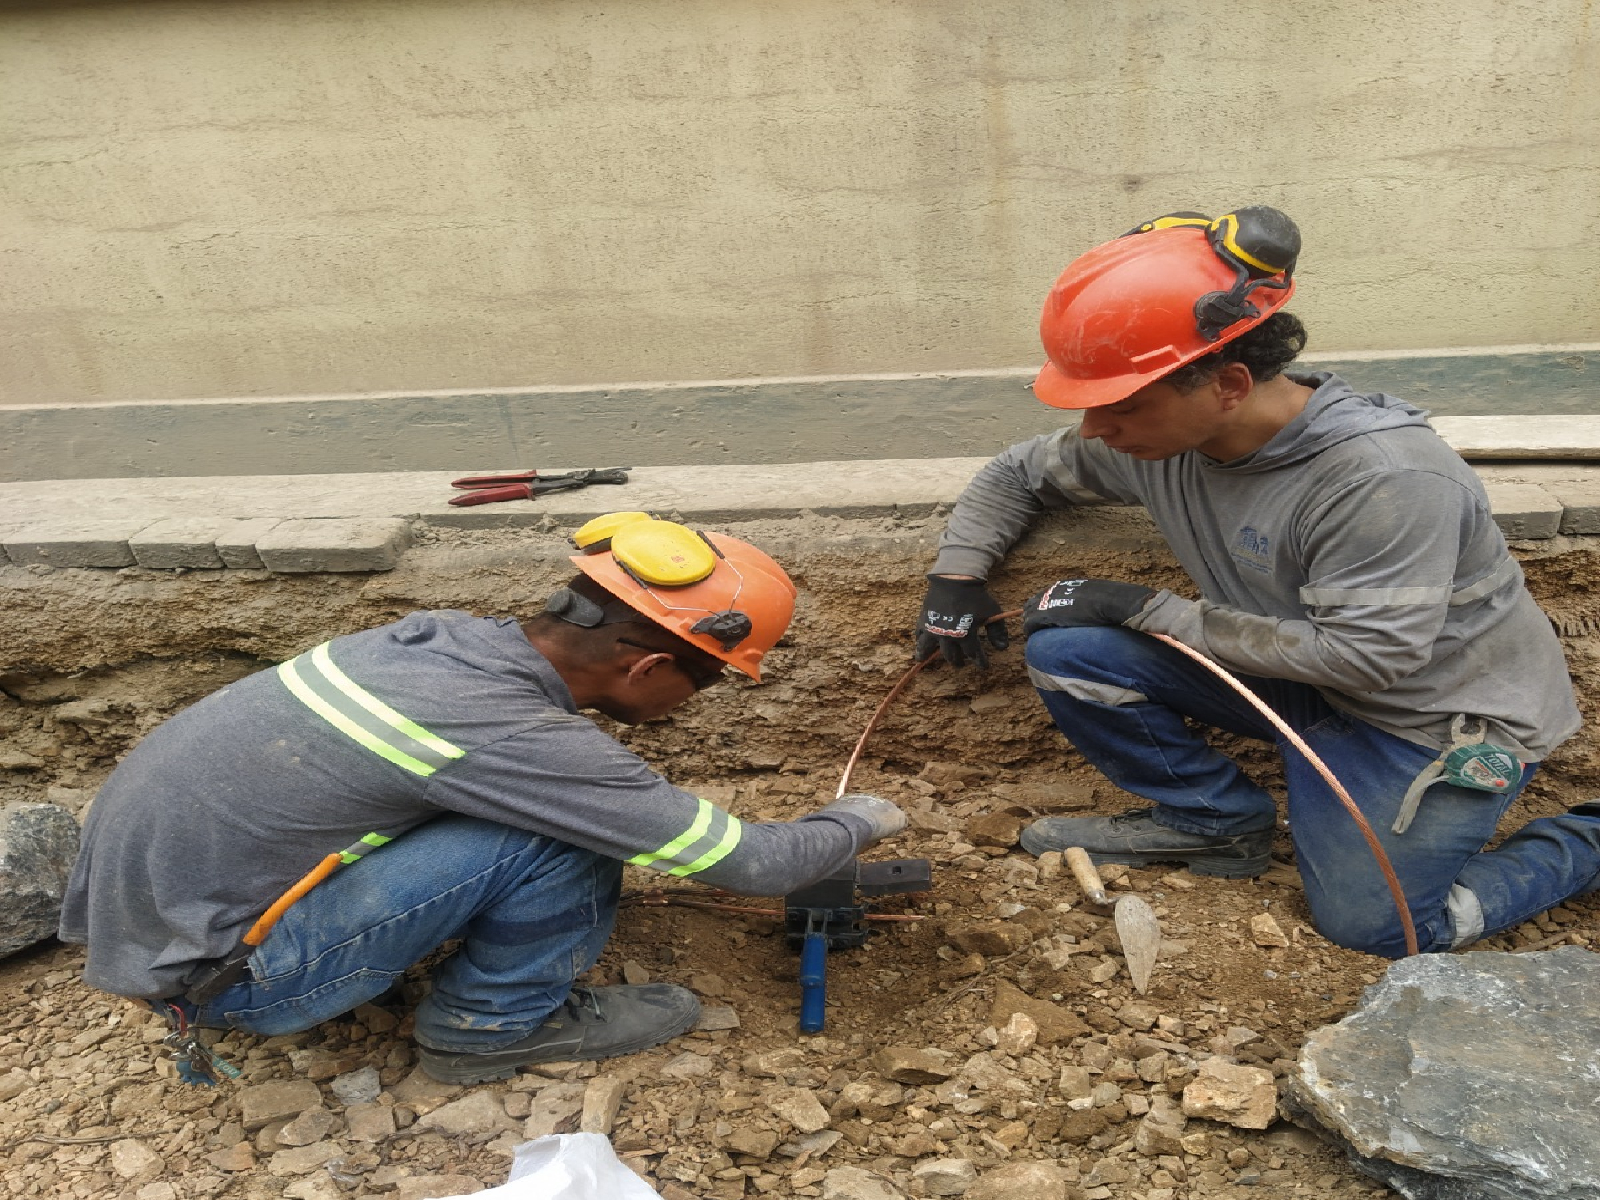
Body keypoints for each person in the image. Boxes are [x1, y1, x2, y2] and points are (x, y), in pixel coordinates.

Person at [914, 206, 1600, 959]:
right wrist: (957, 575)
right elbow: (1017, 474)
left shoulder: (1383, 480)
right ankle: (1214, 822)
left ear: (1230, 383)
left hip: (1428, 718)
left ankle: (1587, 839)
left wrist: (1148, 609)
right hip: (1306, 677)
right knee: (1070, 651)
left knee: (1382, 929)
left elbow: (1370, 658)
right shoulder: (1164, 439)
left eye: (1121, 406)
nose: (1093, 431)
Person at [59, 511, 906, 1084]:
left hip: (148, 928)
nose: (697, 699)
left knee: (536, 810)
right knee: (568, 831)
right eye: (708, 680)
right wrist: (859, 818)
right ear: (649, 666)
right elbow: (753, 866)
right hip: (227, 979)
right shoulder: (508, 736)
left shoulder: (432, 642)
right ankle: (488, 1029)